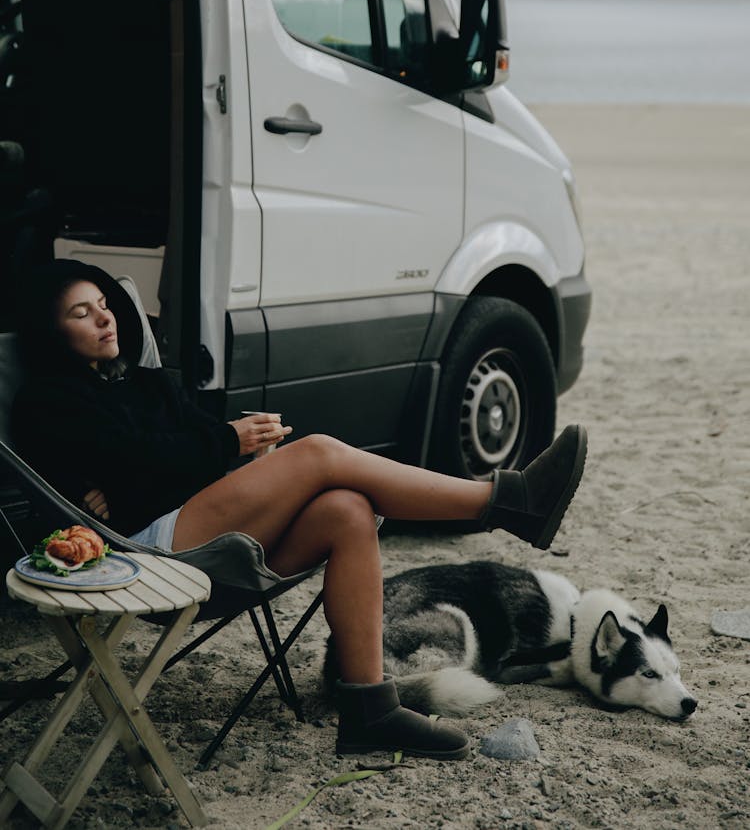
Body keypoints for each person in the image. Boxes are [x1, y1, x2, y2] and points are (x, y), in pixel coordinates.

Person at [12, 260, 587, 761]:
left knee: (347, 508)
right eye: (81, 314)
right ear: (52, 333)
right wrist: (204, 450)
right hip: (150, 553)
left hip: (193, 522)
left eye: (105, 305)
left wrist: (221, 449)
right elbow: (144, 457)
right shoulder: (50, 401)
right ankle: (503, 502)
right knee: (317, 454)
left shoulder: (142, 384)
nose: (105, 318)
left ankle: (369, 709)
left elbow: (172, 453)